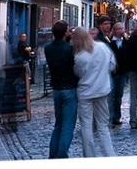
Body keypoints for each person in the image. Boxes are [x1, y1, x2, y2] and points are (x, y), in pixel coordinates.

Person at [71, 26, 117, 157]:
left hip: (86, 92)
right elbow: (112, 65)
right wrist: (103, 73)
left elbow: (78, 73)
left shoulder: (80, 56)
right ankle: (109, 155)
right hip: (102, 90)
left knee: (86, 126)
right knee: (103, 126)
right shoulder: (102, 47)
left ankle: (89, 156)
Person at [44, 20, 78, 159]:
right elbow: (74, 68)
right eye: (68, 30)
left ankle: (53, 154)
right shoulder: (70, 49)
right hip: (69, 87)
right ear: (65, 33)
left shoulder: (48, 48)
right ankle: (61, 155)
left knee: (58, 124)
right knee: (68, 125)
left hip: (56, 88)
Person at [107, 20, 128, 126]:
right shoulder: (110, 42)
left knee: (119, 96)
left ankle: (117, 117)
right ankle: (110, 117)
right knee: (111, 95)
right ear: (114, 31)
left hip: (122, 72)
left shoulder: (126, 42)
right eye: (119, 29)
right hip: (112, 73)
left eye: (122, 28)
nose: (121, 31)